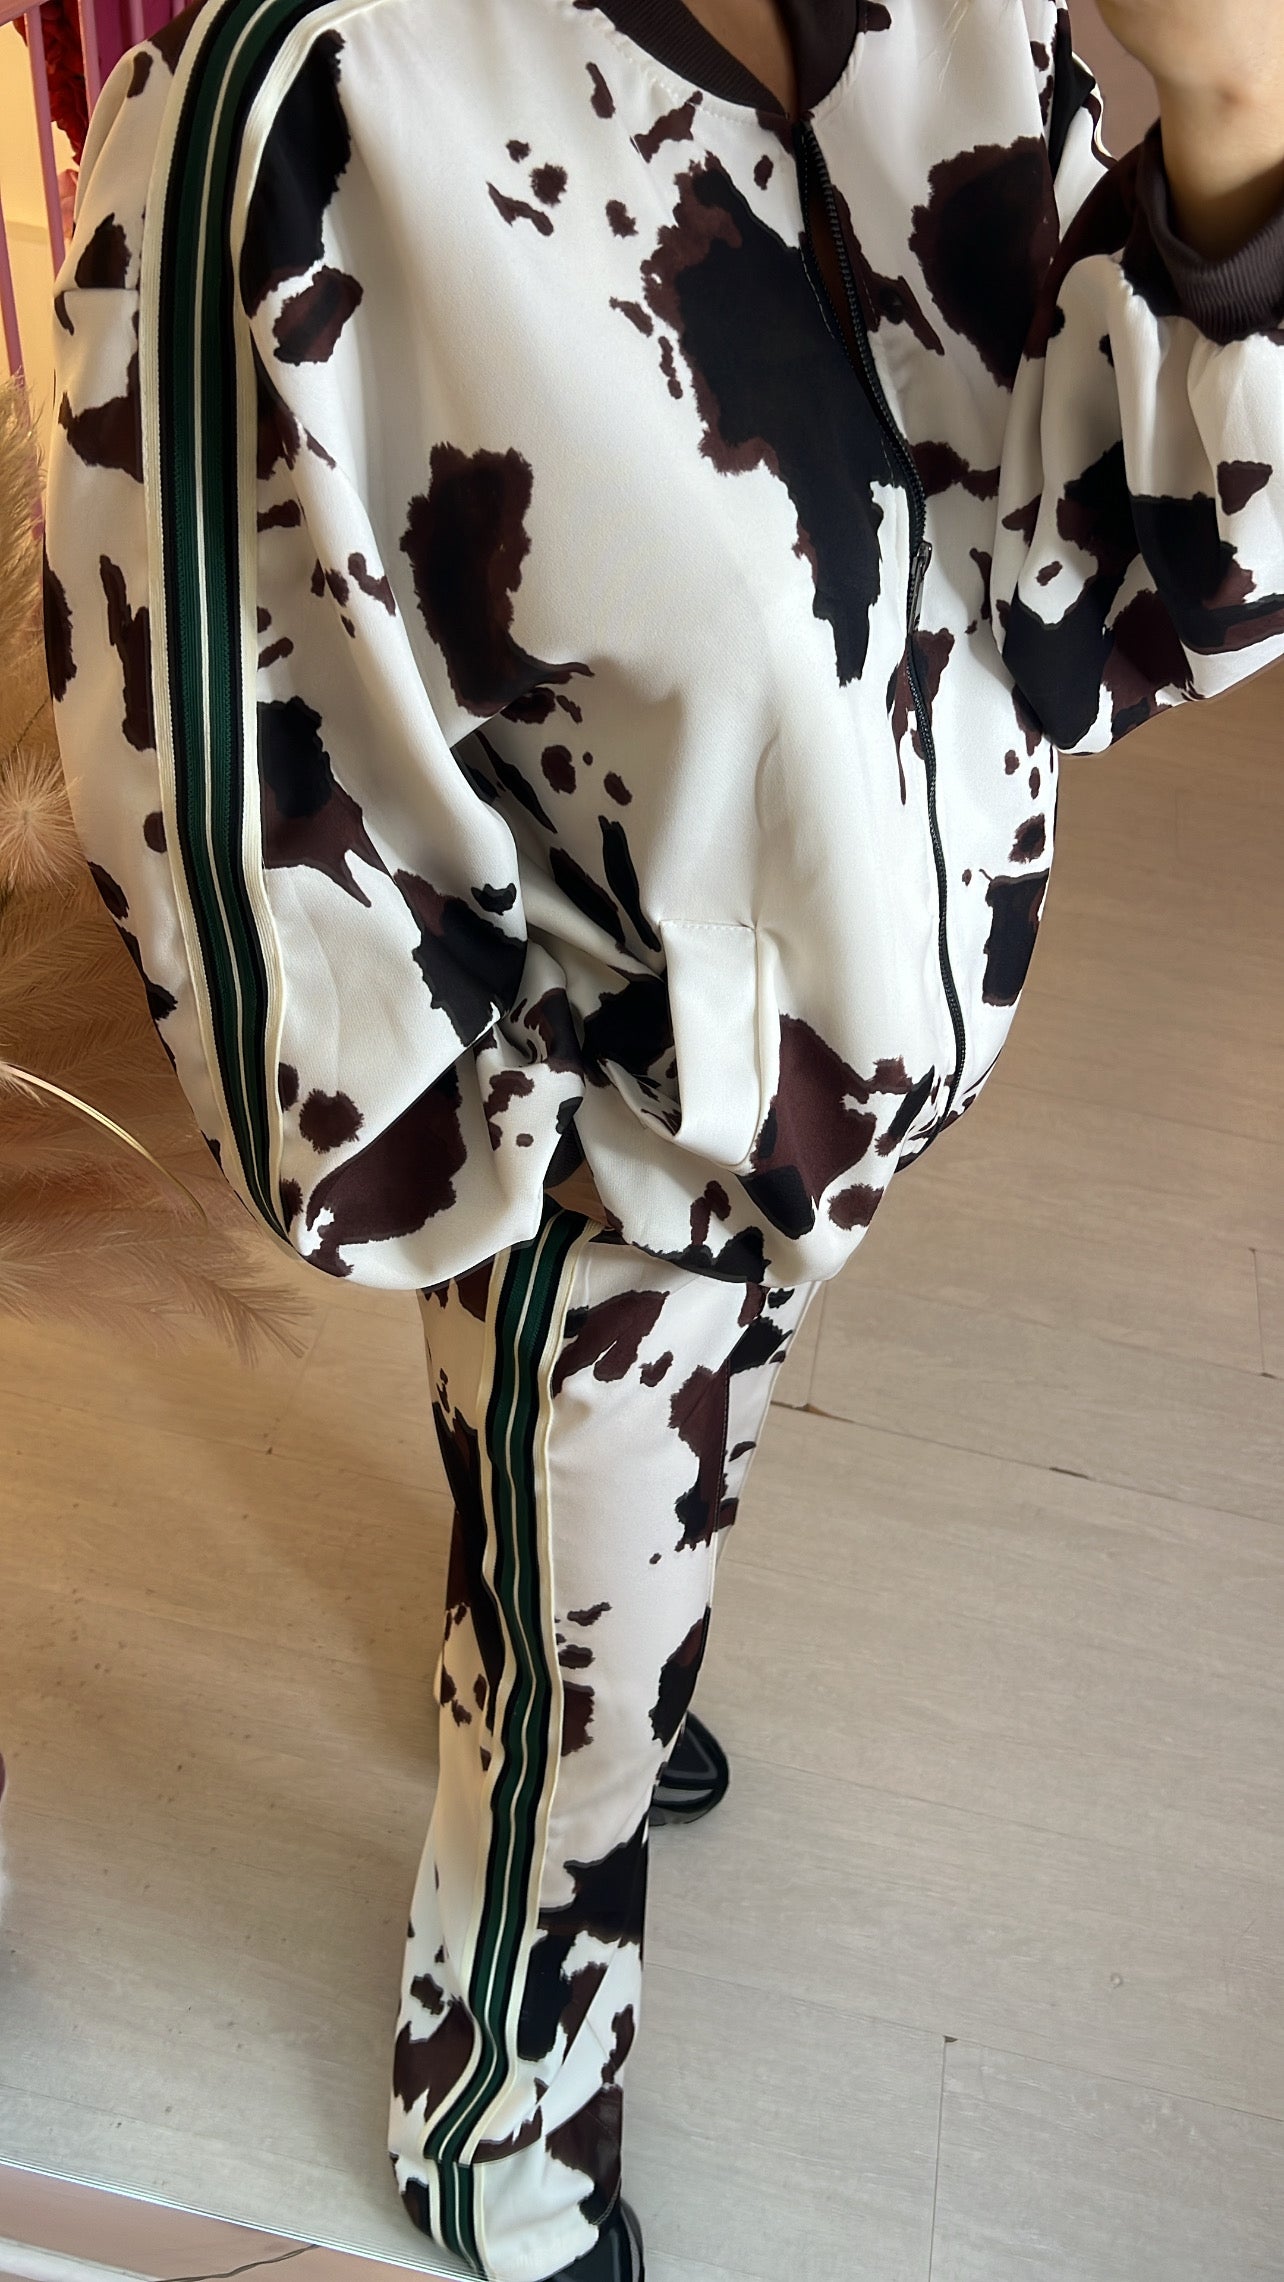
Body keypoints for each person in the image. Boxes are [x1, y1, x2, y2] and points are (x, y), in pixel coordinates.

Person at [40, 0, 1284, 2275]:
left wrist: (1236, 123)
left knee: (640, 1482)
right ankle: (500, 2126)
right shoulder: (301, 98)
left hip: (832, 1085)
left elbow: (1131, 604)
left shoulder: (978, 18)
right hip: (611, 1165)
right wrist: (537, 1154)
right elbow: (218, 779)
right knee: (579, 1702)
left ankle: (562, 1573)